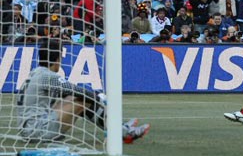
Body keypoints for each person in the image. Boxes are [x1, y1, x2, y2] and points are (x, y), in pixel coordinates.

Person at [17, 39, 150, 144]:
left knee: (74, 98)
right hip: (37, 130)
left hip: (31, 127)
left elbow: (69, 94)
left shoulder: (35, 73)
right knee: (83, 99)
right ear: (57, 59)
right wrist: (99, 97)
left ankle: (119, 128)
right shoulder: (47, 76)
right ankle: (122, 131)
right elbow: (79, 91)